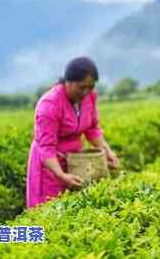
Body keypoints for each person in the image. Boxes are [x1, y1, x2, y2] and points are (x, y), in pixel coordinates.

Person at [26, 56, 120, 209]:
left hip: (75, 161)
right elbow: (46, 148)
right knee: (49, 208)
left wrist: (108, 151)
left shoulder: (90, 96)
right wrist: (61, 175)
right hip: (49, 164)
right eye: (81, 87)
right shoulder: (49, 105)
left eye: (90, 87)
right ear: (67, 81)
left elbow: (92, 129)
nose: (85, 92)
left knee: (73, 207)